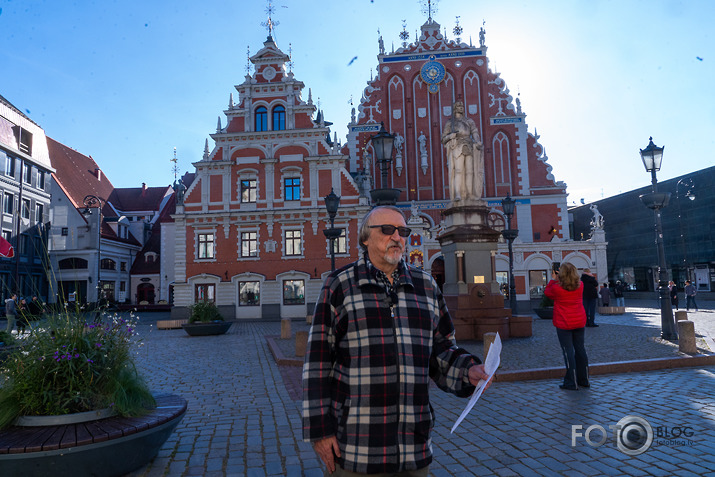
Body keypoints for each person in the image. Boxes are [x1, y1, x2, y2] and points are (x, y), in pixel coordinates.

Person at [303, 206, 492, 476]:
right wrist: (320, 430)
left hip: (413, 447)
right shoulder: (340, 285)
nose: (397, 237)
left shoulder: (426, 286)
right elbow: (317, 363)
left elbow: (442, 351)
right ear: (365, 238)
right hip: (356, 447)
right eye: (388, 230)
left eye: (403, 231)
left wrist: (469, 370)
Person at [544, 263, 589, 391]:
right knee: (580, 350)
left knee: (568, 351)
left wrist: (553, 279)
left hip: (564, 323)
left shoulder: (557, 288)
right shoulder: (581, 285)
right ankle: (584, 379)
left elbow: (547, 292)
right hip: (579, 321)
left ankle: (571, 381)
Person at [441, 100, 485, 202]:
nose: (461, 108)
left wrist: (477, 141)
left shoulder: (469, 121)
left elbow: (474, 132)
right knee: (458, 171)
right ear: (455, 108)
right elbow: (443, 138)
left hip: (468, 145)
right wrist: (450, 136)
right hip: (457, 145)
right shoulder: (450, 123)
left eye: (462, 106)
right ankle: (458, 194)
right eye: (459, 106)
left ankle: (469, 194)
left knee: (470, 172)